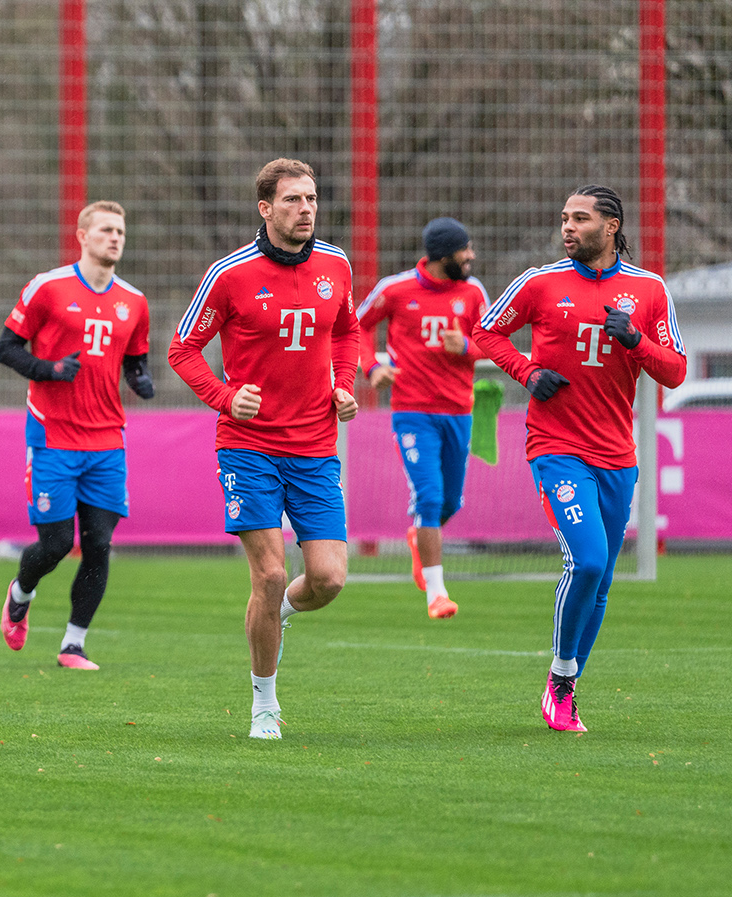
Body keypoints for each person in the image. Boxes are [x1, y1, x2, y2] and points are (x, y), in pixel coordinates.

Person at [475, 186, 686, 733]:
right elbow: (486, 332)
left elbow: (675, 370)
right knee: (588, 560)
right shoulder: (539, 283)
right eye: (565, 218)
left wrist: (636, 340)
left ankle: (562, 690)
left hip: (618, 455)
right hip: (556, 448)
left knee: (603, 580)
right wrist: (526, 373)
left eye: (581, 218)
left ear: (611, 226)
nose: (568, 227)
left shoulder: (649, 290)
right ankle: (563, 677)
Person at [168, 160, 360, 741]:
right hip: (248, 447)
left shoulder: (337, 266)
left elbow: (347, 331)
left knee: (327, 579)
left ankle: (272, 619)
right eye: (294, 200)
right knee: (272, 573)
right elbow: (183, 349)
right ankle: (264, 704)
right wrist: (226, 398)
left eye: (312, 198)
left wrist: (344, 384)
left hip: (315, 447)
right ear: (265, 209)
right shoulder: (230, 275)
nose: (306, 209)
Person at [0, 201, 154, 669]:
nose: (115, 237)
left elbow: (135, 357)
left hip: (107, 440)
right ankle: (21, 593)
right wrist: (48, 370)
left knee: (100, 543)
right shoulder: (48, 288)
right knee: (57, 543)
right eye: (106, 229)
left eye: (120, 230)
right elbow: (6, 348)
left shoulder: (135, 301)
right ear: (82, 235)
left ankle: (73, 644)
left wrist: (139, 379)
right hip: (53, 436)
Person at [356, 217, 491, 619]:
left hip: (458, 410)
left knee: (451, 501)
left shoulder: (473, 292)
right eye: (464, 250)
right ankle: (437, 592)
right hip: (413, 412)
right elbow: (356, 328)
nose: (471, 256)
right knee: (430, 497)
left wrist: (465, 346)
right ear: (442, 257)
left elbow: (490, 342)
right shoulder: (395, 290)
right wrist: (370, 368)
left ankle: (419, 534)